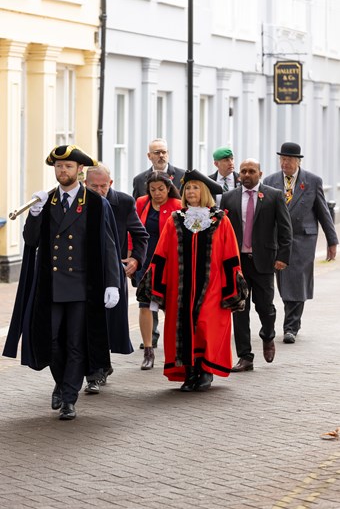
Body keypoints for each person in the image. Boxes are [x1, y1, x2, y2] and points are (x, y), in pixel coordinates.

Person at [3, 145, 122, 420]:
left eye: (68, 166)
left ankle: (69, 398)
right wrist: (34, 215)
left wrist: (112, 283)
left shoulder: (95, 202)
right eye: (58, 167)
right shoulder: (45, 201)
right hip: (52, 284)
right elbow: (31, 241)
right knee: (52, 340)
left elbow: (108, 245)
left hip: (82, 285)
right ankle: (61, 381)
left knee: (76, 343)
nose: (63, 171)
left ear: (80, 170)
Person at [137, 169, 247, 391]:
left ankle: (205, 370)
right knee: (183, 327)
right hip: (181, 286)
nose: (191, 191)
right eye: (187, 188)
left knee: (205, 323)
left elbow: (230, 256)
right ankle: (190, 371)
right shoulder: (176, 219)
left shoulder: (219, 220)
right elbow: (162, 253)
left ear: (204, 191)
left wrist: (232, 288)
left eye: (195, 187)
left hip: (212, 285)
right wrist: (156, 285)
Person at [221, 158, 293, 372]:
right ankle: (245, 356)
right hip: (237, 263)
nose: (246, 175)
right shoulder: (229, 198)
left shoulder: (273, 196)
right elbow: (222, 231)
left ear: (260, 174)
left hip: (264, 262)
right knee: (239, 309)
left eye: (251, 171)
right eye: (243, 171)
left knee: (265, 307)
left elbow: (285, 230)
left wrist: (282, 257)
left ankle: (268, 336)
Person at [83, 163, 149, 394]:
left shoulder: (123, 202)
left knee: (108, 323)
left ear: (110, 184)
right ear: (85, 184)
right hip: (83, 272)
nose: (99, 191)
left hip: (112, 271)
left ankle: (100, 367)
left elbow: (141, 236)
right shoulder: (79, 203)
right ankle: (95, 371)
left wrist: (135, 261)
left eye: (103, 186)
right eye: (94, 186)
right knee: (86, 323)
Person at [263, 142, 338, 344]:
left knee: (297, 281)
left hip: (303, 238)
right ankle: (291, 322)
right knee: (284, 281)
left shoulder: (312, 181)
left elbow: (323, 212)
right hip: (279, 240)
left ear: (298, 161)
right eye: (282, 159)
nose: (284, 163)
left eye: (288, 159)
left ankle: (291, 327)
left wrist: (332, 241)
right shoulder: (270, 181)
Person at [133, 138, 185, 348]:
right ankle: (150, 340)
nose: (161, 155)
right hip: (146, 251)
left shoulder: (181, 175)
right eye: (156, 152)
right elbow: (134, 218)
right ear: (149, 156)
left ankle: (175, 340)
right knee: (146, 298)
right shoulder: (139, 180)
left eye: (164, 152)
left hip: (172, 253)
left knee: (170, 300)